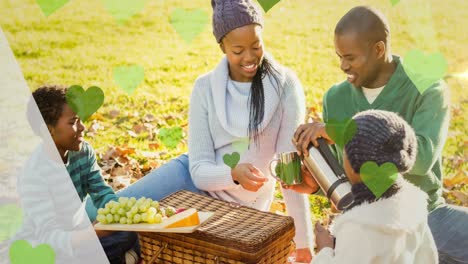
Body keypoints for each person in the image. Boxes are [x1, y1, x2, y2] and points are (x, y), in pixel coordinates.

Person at [87, 0, 315, 261]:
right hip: (190, 179)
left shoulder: (285, 86)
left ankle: (129, 250)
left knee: (135, 237)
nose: (250, 57)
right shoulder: (205, 88)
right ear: (222, 47)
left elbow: (289, 168)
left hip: (236, 208)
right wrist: (233, 174)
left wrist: (303, 242)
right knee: (102, 216)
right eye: (238, 50)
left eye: (256, 46)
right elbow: (198, 171)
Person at [291, 6, 468, 263]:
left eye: (350, 57)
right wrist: (318, 187)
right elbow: (353, 176)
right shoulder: (336, 97)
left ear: (378, 50)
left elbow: (421, 159)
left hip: (424, 214)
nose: (342, 65)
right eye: (339, 56)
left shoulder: (428, 89)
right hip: (364, 222)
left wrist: (342, 132)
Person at [21, 85, 139, 264]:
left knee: (128, 234)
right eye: (73, 122)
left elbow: (102, 192)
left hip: (81, 236)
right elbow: (49, 238)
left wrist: (118, 215)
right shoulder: (34, 175)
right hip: (47, 247)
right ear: (48, 130)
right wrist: (93, 234)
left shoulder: (83, 152)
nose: (82, 127)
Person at [311, 110, 438, 264]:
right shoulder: (413, 206)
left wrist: (325, 250)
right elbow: (428, 257)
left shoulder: (358, 227)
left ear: (355, 164)